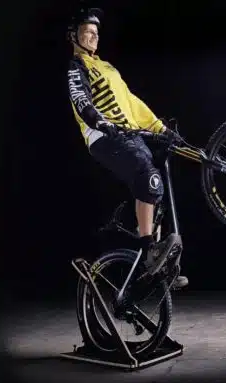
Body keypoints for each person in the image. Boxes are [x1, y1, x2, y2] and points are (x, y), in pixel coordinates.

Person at [66, 7, 188, 289]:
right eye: (87, 31)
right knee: (148, 176)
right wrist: (99, 121)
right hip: (104, 136)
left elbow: (133, 103)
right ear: (73, 36)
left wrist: (161, 129)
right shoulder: (77, 66)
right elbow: (80, 99)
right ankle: (148, 249)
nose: (94, 36)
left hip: (130, 134)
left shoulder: (108, 68)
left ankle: (155, 266)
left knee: (156, 189)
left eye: (96, 32)